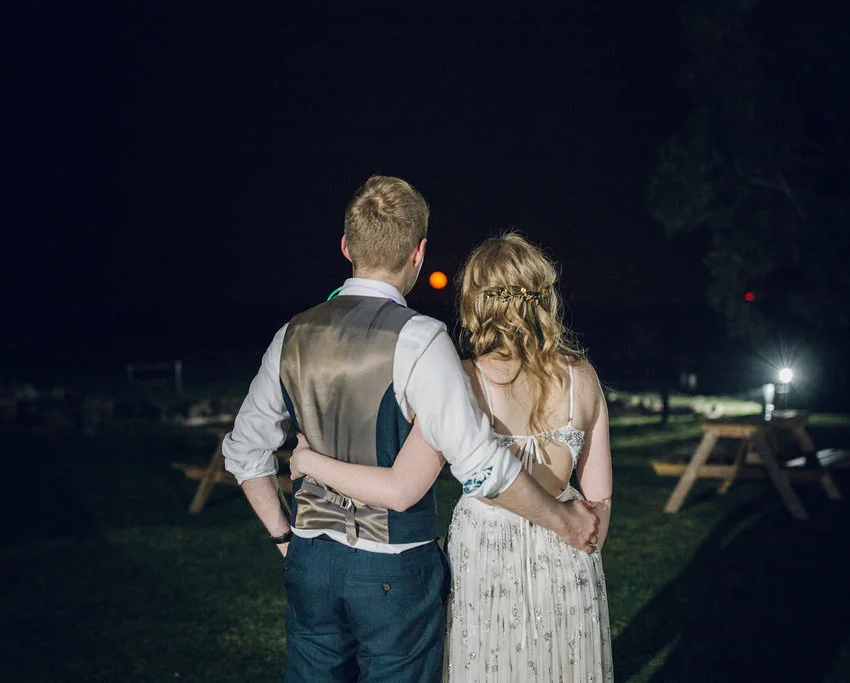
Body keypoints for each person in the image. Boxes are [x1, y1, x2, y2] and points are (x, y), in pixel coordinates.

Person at [221, 177, 600, 683]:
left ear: (346, 246)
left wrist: (285, 538)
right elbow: (481, 466)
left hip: (311, 561)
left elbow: (244, 452)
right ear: (419, 253)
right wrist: (562, 519)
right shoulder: (421, 339)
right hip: (393, 572)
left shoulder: (290, 335)